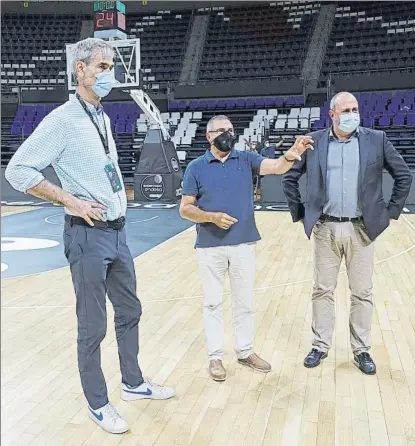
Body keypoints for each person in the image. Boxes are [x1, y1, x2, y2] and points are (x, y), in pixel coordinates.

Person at [5, 37, 175, 434]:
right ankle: (98, 403)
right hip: (87, 236)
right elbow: (18, 171)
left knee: (130, 310)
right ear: (79, 70)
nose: (108, 74)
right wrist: (68, 199)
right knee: (92, 325)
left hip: (116, 233)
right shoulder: (63, 119)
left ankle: (133, 384)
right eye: (101, 67)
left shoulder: (99, 115)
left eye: (110, 66)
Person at [282, 92, 412, 375]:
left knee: (362, 293)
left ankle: (362, 349)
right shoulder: (314, 142)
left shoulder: (376, 140)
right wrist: (302, 213)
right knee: (322, 290)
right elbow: (290, 176)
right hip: (325, 227)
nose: (352, 113)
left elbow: (404, 175)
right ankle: (319, 346)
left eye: (355, 108)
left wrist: (389, 213)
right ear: (332, 115)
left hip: (362, 229)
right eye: (346, 110)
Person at [179, 115, 313, 381]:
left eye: (231, 130)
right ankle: (215, 357)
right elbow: (185, 208)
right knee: (213, 303)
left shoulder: (246, 158)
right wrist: (211, 217)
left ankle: (245, 351)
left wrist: (291, 154)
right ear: (209, 136)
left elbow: (275, 167)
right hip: (210, 246)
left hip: (243, 243)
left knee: (244, 303)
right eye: (222, 131)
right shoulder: (195, 167)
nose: (228, 134)